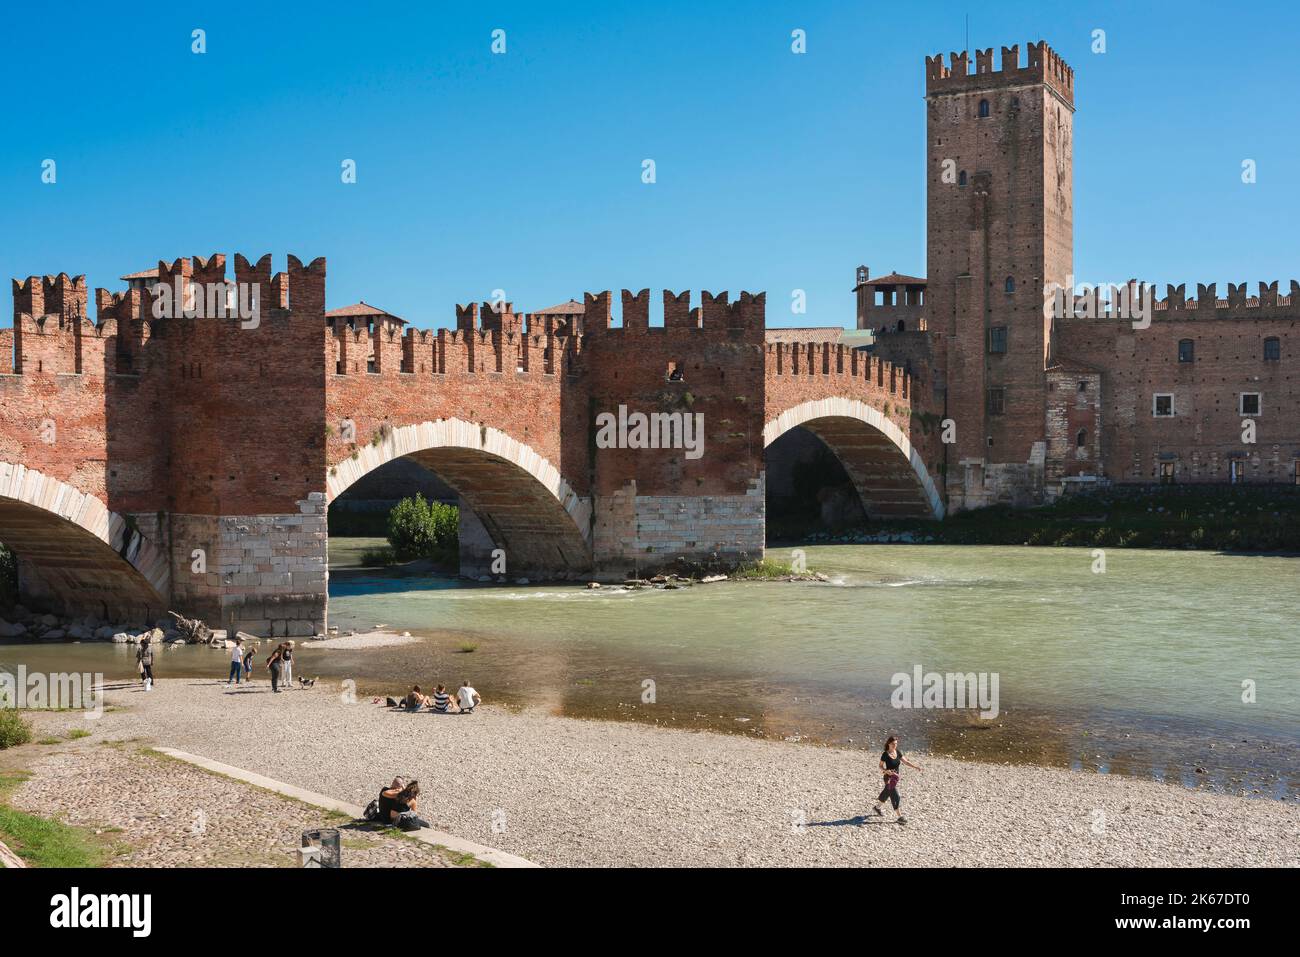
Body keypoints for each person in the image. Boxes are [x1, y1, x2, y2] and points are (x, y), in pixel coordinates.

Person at [872, 734, 922, 824]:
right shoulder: (885, 754)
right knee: (895, 796)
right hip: (888, 778)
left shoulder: (897, 752)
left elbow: (906, 761)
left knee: (887, 792)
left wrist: (915, 767)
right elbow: (880, 766)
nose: (895, 745)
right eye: (893, 744)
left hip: (895, 778)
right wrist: (886, 771)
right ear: (889, 744)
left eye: (896, 743)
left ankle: (877, 807)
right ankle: (900, 817)